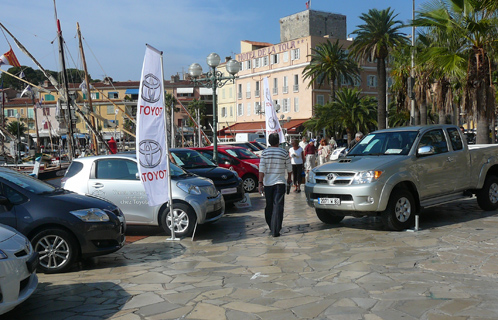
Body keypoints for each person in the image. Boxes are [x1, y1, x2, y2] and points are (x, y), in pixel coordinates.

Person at [258, 133, 292, 237]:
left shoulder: (264, 153)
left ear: (269, 141)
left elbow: (261, 169)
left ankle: (272, 225)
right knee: (278, 205)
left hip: (268, 183)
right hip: (280, 182)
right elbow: (289, 169)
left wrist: (260, 183)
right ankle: (275, 228)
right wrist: (289, 179)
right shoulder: (284, 152)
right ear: (278, 142)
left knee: (269, 206)